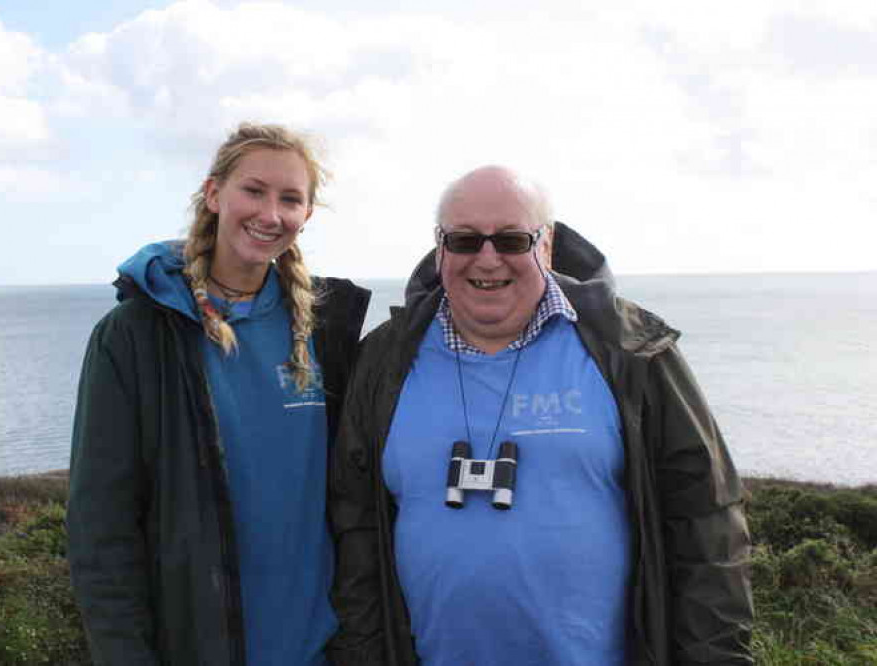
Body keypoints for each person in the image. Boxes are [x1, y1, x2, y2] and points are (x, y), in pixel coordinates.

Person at [328, 166, 753, 665]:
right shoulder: (384, 360)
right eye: (465, 241)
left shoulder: (630, 352)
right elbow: (354, 525)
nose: (487, 259)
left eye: (511, 240)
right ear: (440, 247)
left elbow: (706, 520)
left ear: (546, 246)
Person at [67, 123, 371, 665]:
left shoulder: (327, 329)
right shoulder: (138, 335)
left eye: (290, 199)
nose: (270, 214)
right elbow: (101, 529)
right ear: (214, 194)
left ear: (307, 216)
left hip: (322, 650)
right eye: (253, 190)